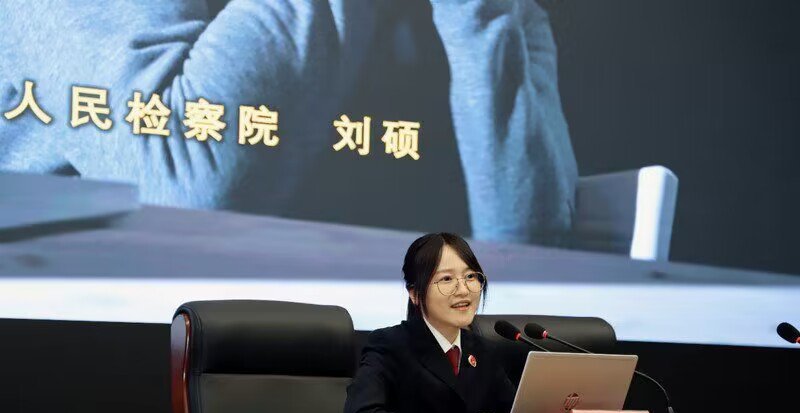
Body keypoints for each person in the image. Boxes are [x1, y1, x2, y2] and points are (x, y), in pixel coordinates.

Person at [0, 0, 577, 246]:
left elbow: (527, 252)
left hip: (373, 387)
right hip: (109, 371)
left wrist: (478, 18)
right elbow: (183, 180)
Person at [344, 232, 516, 413]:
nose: (463, 290)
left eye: (470, 276)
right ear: (415, 293)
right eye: (446, 279)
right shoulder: (389, 345)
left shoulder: (485, 351)